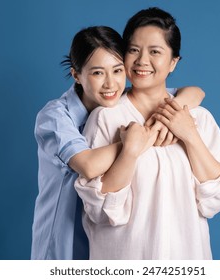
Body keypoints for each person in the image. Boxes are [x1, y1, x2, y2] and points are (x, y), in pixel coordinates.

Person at [75, 7, 220, 259]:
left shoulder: (199, 118)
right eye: (133, 50)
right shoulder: (106, 117)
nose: (142, 61)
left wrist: (190, 136)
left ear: (173, 62)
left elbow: (217, 197)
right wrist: (129, 153)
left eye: (155, 51)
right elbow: (100, 210)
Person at [31, 25, 205, 259]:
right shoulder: (56, 116)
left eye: (117, 70)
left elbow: (195, 92)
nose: (110, 84)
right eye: (97, 73)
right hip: (65, 239)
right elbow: (89, 165)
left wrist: (168, 116)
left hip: (105, 240)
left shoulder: (120, 104)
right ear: (76, 75)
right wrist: (140, 139)